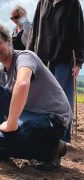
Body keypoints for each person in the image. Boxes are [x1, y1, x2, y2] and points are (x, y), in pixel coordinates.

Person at [0, 24, 72, 171]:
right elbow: (8, 100)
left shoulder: (25, 57)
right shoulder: (2, 70)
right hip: (28, 114)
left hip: (52, 120)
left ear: (9, 41)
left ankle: (54, 149)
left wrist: (11, 123)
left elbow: (23, 83)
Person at [27, 0, 84, 143]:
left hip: (64, 58)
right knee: (43, 96)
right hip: (42, 57)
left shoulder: (73, 3)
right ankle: (45, 132)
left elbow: (79, 32)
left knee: (62, 98)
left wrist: (78, 60)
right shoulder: (43, 2)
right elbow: (34, 29)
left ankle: (62, 137)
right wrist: (28, 54)